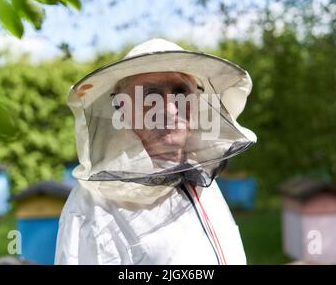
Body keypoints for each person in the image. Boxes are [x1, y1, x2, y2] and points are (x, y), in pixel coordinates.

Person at [55, 38, 257, 265]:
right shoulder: (91, 208)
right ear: (123, 109)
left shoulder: (201, 176)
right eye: (149, 94)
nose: (169, 109)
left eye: (181, 91)